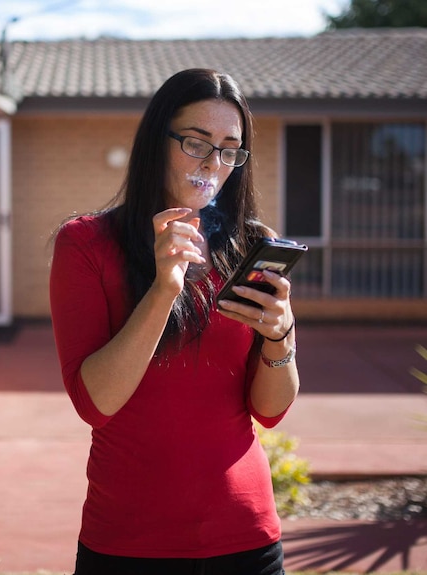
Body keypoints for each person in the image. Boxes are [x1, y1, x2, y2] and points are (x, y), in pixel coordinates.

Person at [49, 68, 300, 575]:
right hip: (128, 540)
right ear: (157, 141)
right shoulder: (86, 243)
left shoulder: (250, 244)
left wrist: (280, 333)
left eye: (230, 149)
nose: (213, 162)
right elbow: (96, 403)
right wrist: (165, 288)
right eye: (196, 142)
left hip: (245, 534)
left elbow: (270, 412)